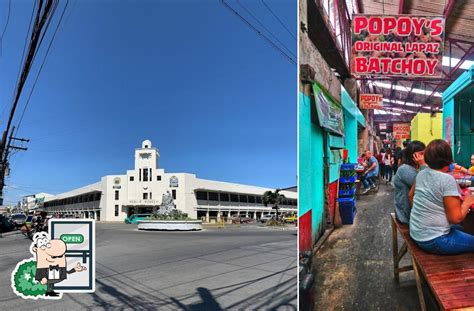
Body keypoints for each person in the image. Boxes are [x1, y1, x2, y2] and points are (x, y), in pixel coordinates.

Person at [409, 139, 474, 255]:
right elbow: (456, 218)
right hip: (434, 240)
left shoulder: (421, 174)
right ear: (448, 160)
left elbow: (410, 196)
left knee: (461, 229)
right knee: (462, 227)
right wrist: (468, 202)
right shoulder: (447, 179)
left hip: (415, 231)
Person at [393, 141, 426, 224]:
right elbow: (425, 186)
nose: (425, 156)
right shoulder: (405, 169)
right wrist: (423, 164)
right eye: (421, 153)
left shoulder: (414, 167)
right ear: (413, 156)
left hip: (412, 211)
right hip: (406, 215)